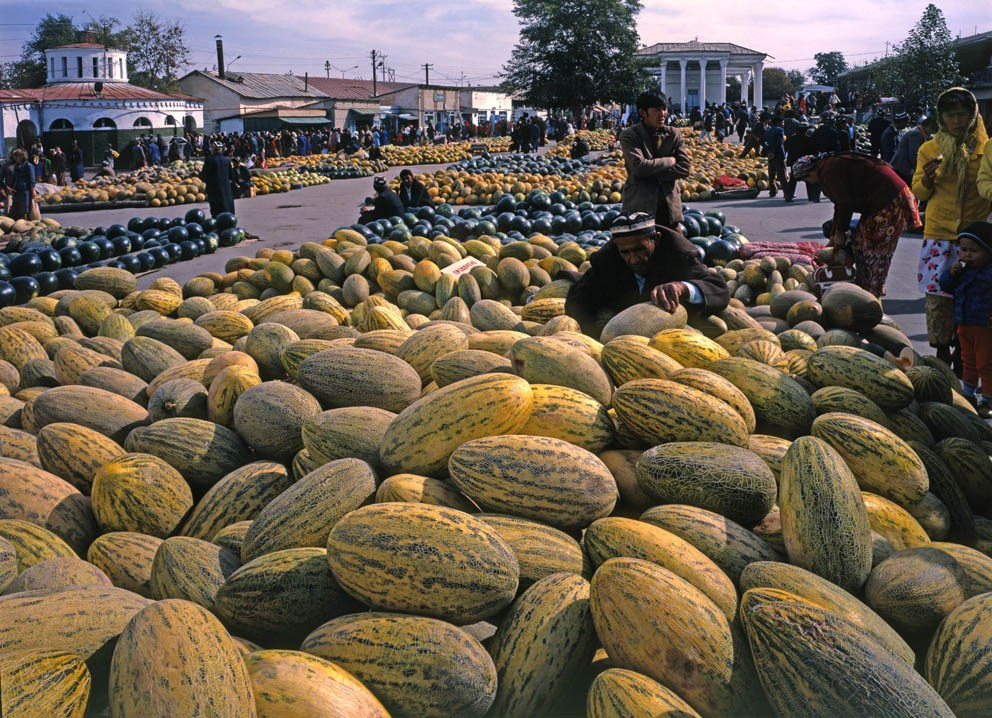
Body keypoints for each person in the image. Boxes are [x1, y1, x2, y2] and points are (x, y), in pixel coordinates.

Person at [913, 87, 992, 368]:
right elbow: (918, 192)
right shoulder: (929, 149)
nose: (957, 121)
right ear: (941, 118)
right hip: (939, 233)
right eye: (950, 115)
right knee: (938, 295)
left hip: (974, 235)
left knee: (974, 293)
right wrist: (927, 180)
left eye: (962, 115)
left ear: (973, 115)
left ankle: (964, 349)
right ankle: (941, 350)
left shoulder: (986, 149)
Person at [563, 212, 729, 339]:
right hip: (622, 331)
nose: (633, 259)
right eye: (625, 252)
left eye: (640, 249)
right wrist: (594, 339)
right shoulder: (607, 259)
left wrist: (683, 288)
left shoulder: (678, 254)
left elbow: (718, 289)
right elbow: (577, 301)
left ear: (655, 239)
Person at [792, 152, 921, 296]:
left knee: (875, 248)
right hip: (881, 201)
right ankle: (864, 285)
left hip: (891, 200)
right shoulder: (827, 167)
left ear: (810, 172)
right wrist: (835, 234)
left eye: (806, 179)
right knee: (859, 242)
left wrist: (840, 232)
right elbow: (839, 204)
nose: (809, 183)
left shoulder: (828, 172)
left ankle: (873, 291)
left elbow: (844, 204)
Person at [938, 222, 992, 417]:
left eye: (973, 251)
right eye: (964, 250)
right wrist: (951, 275)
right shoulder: (962, 270)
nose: (967, 255)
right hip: (963, 324)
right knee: (967, 360)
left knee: (985, 363)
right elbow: (945, 286)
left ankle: (988, 400)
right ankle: (968, 395)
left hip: (985, 327)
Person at [618, 92, 691, 231]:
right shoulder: (630, 135)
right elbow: (639, 167)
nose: (662, 114)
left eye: (664, 109)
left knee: (681, 244)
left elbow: (684, 168)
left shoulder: (674, 134)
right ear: (642, 112)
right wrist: (670, 160)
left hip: (669, 207)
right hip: (640, 207)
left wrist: (649, 174)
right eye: (657, 110)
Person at [891, 115, 938, 185]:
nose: (931, 133)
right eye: (932, 130)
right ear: (928, 126)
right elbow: (913, 155)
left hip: (905, 167)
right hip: (902, 167)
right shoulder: (916, 134)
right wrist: (922, 168)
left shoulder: (920, 131)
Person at [199, 142, 235, 218]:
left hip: (214, 189)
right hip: (226, 188)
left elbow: (204, 176)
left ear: (213, 150)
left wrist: (199, 173)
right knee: (227, 208)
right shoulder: (227, 160)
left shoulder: (209, 160)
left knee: (216, 211)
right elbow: (232, 175)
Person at [5, 148, 35, 220]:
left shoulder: (29, 166)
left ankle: (25, 222)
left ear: (21, 156)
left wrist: (33, 190)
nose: (15, 158)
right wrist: (11, 187)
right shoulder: (16, 166)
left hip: (25, 190)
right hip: (17, 190)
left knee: (24, 210)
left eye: (16, 156)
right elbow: (14, 178)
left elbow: (32, 179)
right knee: (15, 209)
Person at [763, 115, 787, 198]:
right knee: (782, 175)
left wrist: (769, 152)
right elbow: (779, 143)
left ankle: (772, 191)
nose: (783, 124)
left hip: (770, 155)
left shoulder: (768, 130)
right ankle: (787, 193)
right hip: (778, 155)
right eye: (782, 122)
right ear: (778, 122)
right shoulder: (780, 130)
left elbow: (764, 142)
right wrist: (774, 152)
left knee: (771, 174)